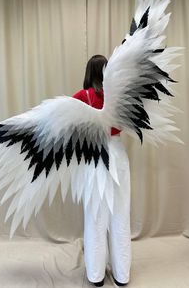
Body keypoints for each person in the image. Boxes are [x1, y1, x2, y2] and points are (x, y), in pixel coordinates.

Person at [73, 55, 131, 287]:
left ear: (88, 72)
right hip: (117, 154)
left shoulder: (80, 97)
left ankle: (96, 276)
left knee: (95, 215)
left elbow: (71, 129)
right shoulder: (121, 97)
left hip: (93, 156)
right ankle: (121, 275)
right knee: (120, 214)